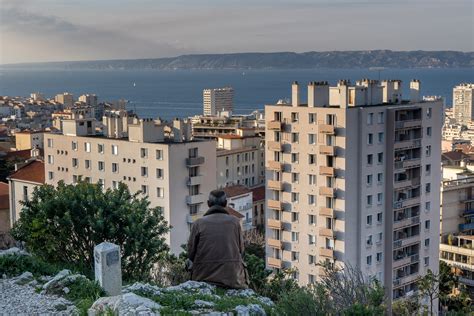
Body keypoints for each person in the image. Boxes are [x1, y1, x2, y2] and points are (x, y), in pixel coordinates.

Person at [187, 189, 249, 289]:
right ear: (225, 203)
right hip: (233, 278)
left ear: (208, 204)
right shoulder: (235, 222)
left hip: (202, 277)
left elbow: (190, 253)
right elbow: (241, 251)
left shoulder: (198, 223)